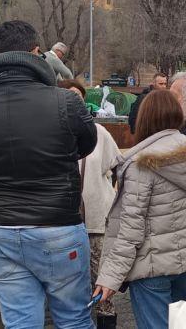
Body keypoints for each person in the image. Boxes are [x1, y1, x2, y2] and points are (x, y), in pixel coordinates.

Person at [0, 20, 98, 329]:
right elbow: (86, 145)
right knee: (74, 319)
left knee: (20, 322)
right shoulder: (67, 101)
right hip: (57, 225)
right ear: (37, 53)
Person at [94, 90, 186, 329]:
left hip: (151, 267)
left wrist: (110, 278)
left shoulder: (141, 164)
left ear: (144, 118)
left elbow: (131, 228)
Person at [58, 80, 122, 329]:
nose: (74, 101)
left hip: (95, 220)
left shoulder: (99, 133)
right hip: (60, 223)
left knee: (102, 282)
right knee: (68, 286)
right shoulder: (46, 132)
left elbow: (118, 166)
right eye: (67, 95)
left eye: (78, 97)